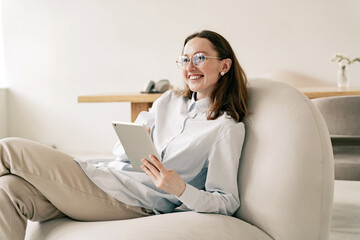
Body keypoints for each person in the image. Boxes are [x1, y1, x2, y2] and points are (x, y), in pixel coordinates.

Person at [0, 30, 248, 239]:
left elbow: (226, 201)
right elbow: (119, 152)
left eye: (200, 58)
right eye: (184, 60)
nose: (190, 67)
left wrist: (181, 189)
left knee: (9, 149)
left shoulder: (225, 128)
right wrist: (135, 140)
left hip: (135, 200)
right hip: (109, 175)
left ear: (224, 65)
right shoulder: (167, 101)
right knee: (8, 189)